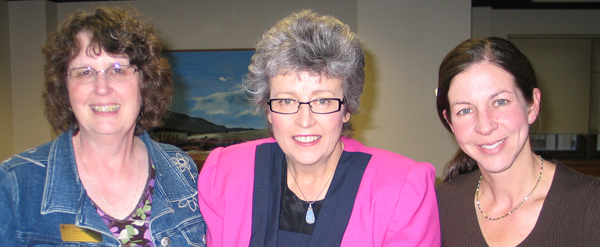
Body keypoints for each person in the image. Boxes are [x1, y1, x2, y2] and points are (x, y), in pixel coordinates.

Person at [198, 10, 440, 247]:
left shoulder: (402, 189)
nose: (305, 120)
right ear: (269, 110)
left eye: (322, 101)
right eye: (287, 101)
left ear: (347, 109)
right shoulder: (225, 174)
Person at [0, 6, 206, 246]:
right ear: (64, 88)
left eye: (118, 70)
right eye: (85, 72)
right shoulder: (14, 186)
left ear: (145, 83)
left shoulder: (181, 169)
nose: (102, 87)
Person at [435, 37, 600, 246]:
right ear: (450, 122)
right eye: (465, 110)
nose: (485, 126)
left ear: (532, 106)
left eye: (500, 102)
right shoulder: (440, 207)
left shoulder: (591, 205)